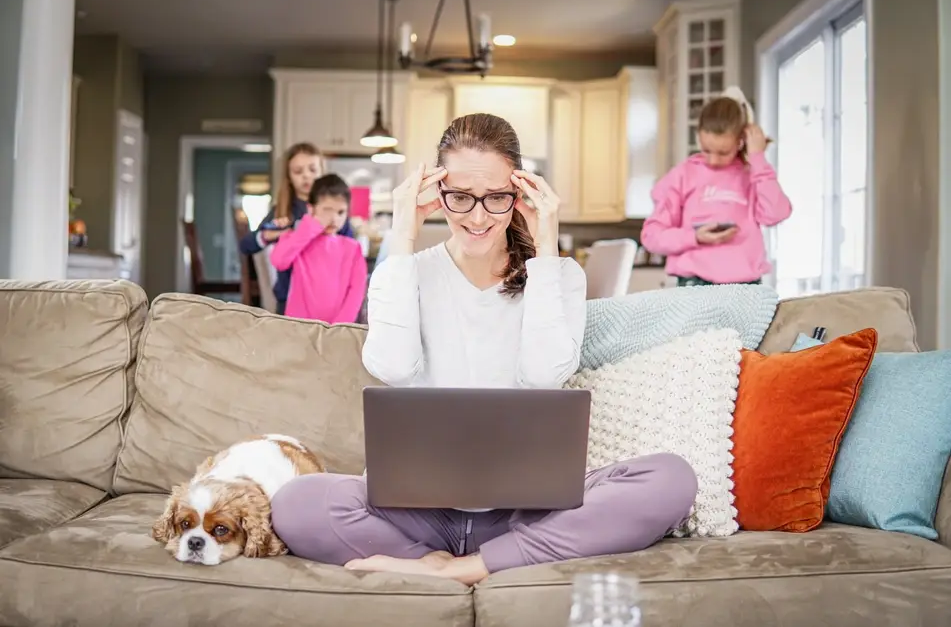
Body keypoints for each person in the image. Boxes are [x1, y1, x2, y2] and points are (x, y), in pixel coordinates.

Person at [269, 113, 698, 585]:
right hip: (417, 511)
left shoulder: (558, 275)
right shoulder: (407, 270)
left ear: (522, 193)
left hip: (525, 512)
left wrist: (546, 247)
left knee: (671, 479)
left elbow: (542, 376)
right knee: (294, 503)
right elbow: (391, 366)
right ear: (436, 192)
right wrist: (402, 236)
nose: (477, 217)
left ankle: (466, 566)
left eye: (496, 198)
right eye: (460, 197)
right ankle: (458, 560)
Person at [640, 87, 792, 286]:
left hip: (745, 288)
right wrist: (694, 237)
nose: (713, 160)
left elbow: (776, 214)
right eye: (706, 150)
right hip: (694, 285)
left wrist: (758, 158)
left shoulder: (753, 174)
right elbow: (651, 237)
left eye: (723, 152)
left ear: (740, 142)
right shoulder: (683, 175)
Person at [238, 142, 355, 314]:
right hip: (289, 298)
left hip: (328, 298)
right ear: (289, 177)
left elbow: (350, 247)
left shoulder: (336, 211)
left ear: (322, 172)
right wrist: (273, 234)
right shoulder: (282, 212)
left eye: (312, 170)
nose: (306, 176)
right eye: (298, 172)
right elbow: (246, 245)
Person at [269, 173, 367, 323]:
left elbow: (356, 292)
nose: (334, 219)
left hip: (337, 329)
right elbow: (279, 260)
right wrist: (310, 225)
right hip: (299, 326)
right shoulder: (297, 239)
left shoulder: (353, 248)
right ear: (311, 210)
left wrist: (340, 326)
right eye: (327, 210)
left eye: (341, 212)